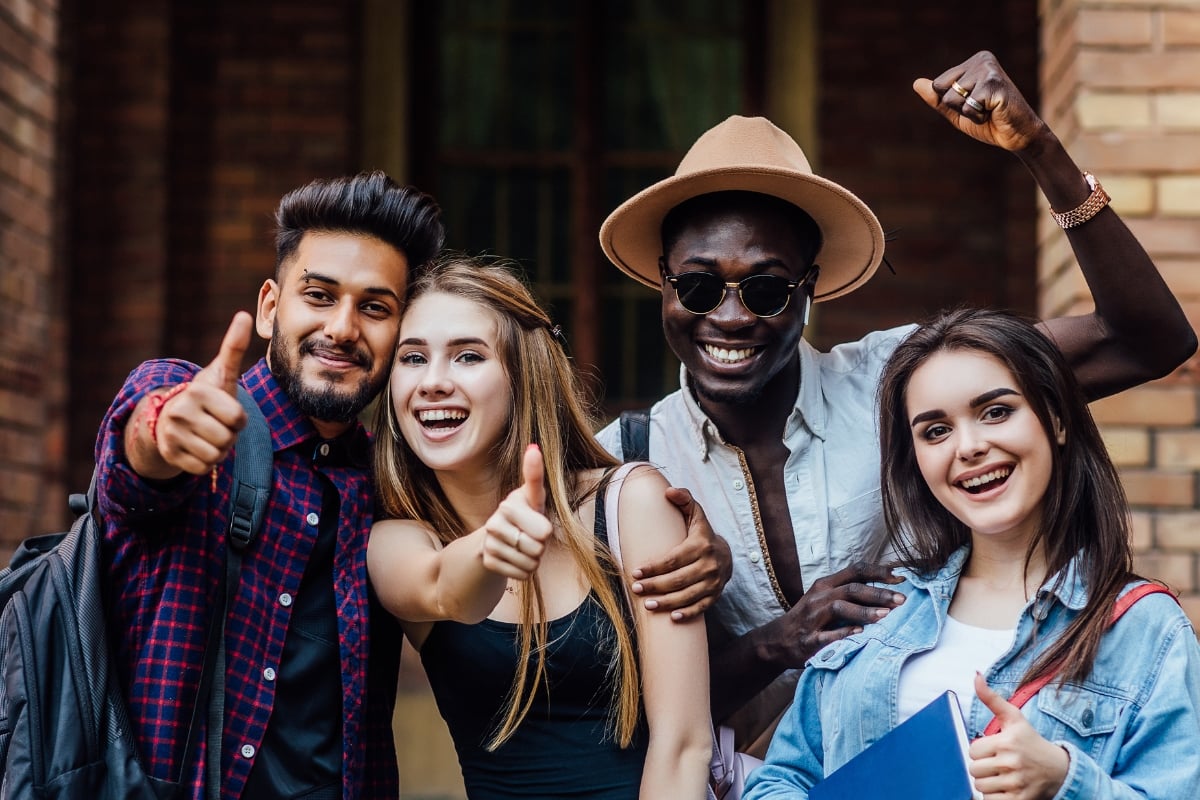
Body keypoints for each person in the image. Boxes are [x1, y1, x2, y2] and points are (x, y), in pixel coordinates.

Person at [593, 49, 1197, 753]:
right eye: (697, 287)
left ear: (809, 289)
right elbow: (616, 718)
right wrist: (774, 646)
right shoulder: (623, 466)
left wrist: (1040, 150)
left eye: (765, 289)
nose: (729, 317)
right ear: (662, 284)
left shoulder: (905, 382)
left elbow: (1148, 340)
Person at [742, 307, 1200, 798]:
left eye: (996, 411)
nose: (969, 446)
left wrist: (1064, 782)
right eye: (935, 430)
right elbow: (781, 779)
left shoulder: (1144, 628)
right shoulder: (878, 609)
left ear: (1058, 420)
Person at [94, 171, 445, 798]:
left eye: (374, 307)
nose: (342, 328)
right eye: (318, 295)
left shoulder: (394, 484)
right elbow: (135, 462)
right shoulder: (198, 414)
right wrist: (164, 429)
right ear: (268, 307)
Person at [367, 256, 713, 799]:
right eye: (413, 358)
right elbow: (439, 585)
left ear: (523, 373)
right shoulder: (398, 537)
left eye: (467, 356)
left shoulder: (631, 505)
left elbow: (685, 743)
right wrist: (490, 547)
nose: (433, 382)